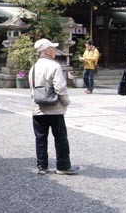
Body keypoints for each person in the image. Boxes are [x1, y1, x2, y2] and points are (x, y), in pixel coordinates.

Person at [29, 39, 79, 175]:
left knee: (40, 138)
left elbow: (32, 89)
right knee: (60, 138)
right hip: (54, 108)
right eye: (52, 48)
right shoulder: (54, 66)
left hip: (38, 107)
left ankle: (42, 166)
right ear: (45, 50)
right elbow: (60, 88)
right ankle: (63, 166)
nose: (54, 51)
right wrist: (66, 102)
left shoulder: (33, 67)